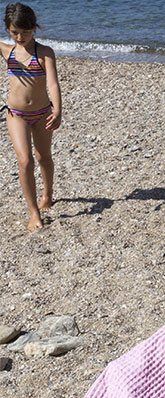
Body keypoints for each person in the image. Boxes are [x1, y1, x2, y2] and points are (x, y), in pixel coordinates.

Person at [1, 3, 60, 231]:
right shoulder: (7, 51)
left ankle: (48, 193)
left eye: (25, 32)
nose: (20, 36)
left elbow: (53, 84)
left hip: (43, 113)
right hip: (16, 115)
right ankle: (34, 212)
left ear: (34, 28)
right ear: (7, 29)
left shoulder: (44, 53)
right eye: (14, 32)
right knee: (25, 160)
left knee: (44, 157)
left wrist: (58, 111)